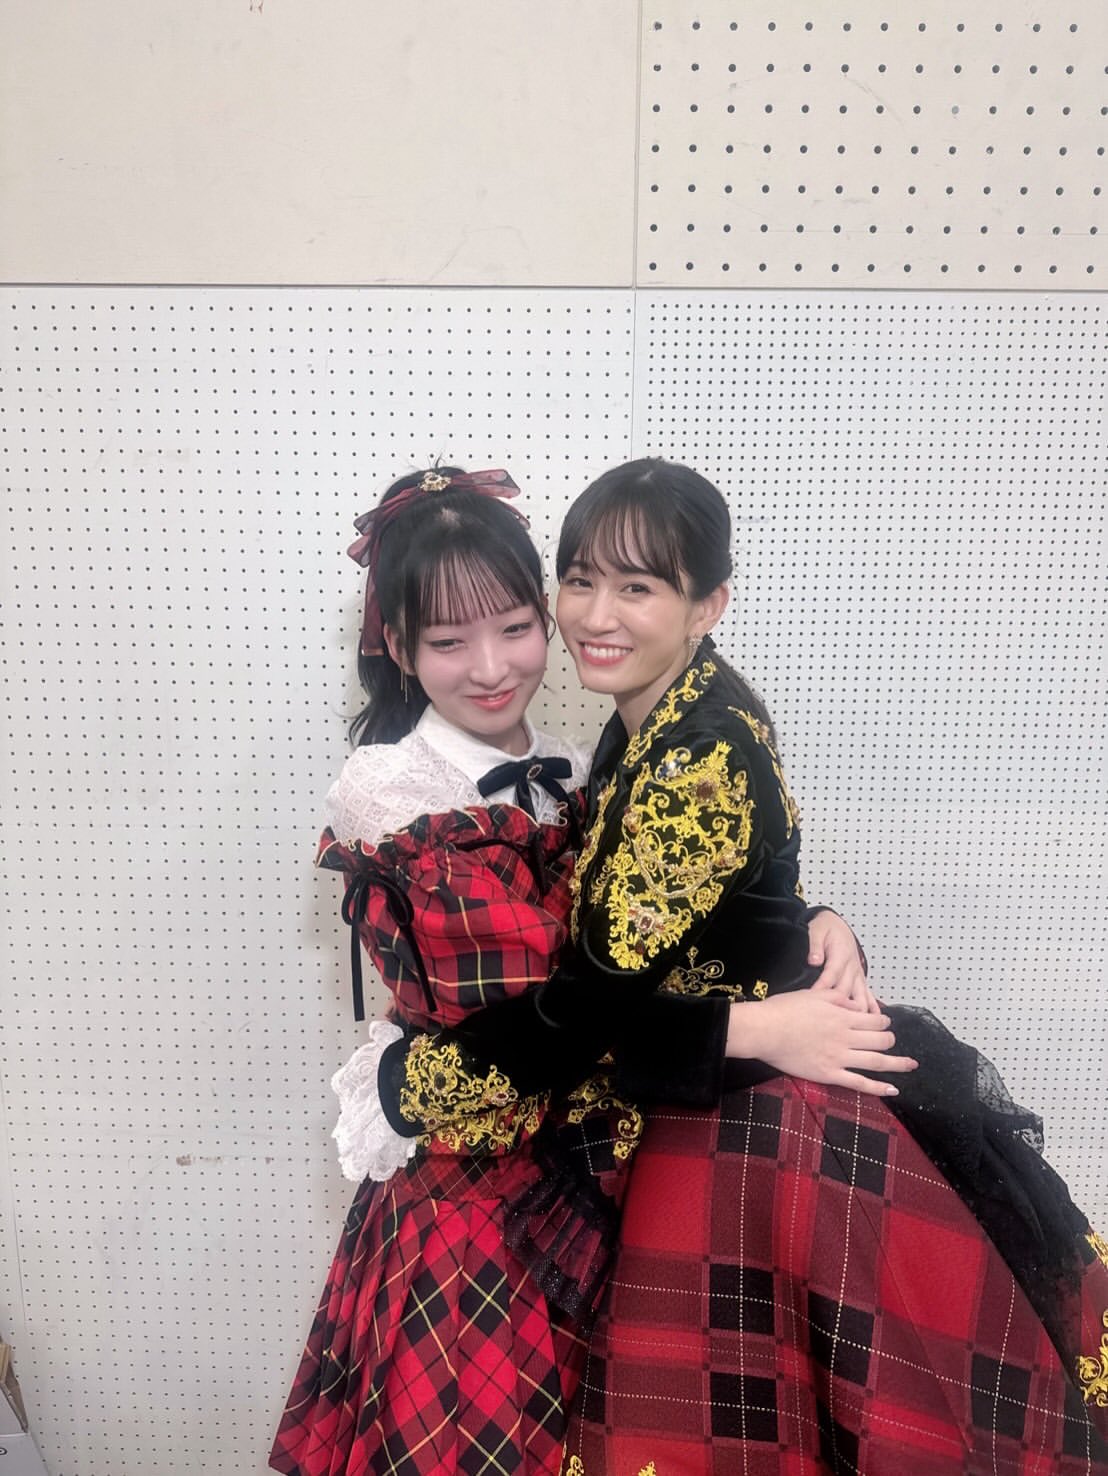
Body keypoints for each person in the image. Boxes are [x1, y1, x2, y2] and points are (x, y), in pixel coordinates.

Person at [382, 460, 1108, 1475]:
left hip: (758, 1128)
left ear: (707, 604)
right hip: (731, 1088)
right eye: (581, 579)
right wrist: (806, 919)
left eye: (638, 587)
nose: (597, 614)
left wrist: (407, 1082)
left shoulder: (696, 755)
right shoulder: (655, 712)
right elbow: (707, 906)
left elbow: (584, 1015)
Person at [268, 465, 881, 1476]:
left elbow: (658, 919)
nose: (490, 667)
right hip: (481, 1194)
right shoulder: (396, 796)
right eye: (447, 642)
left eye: (515, 626)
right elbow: (554, 1018)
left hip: (595, 1167)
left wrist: (800, 917)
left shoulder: (577, 758)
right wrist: (405, 1083)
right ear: (396, 647)